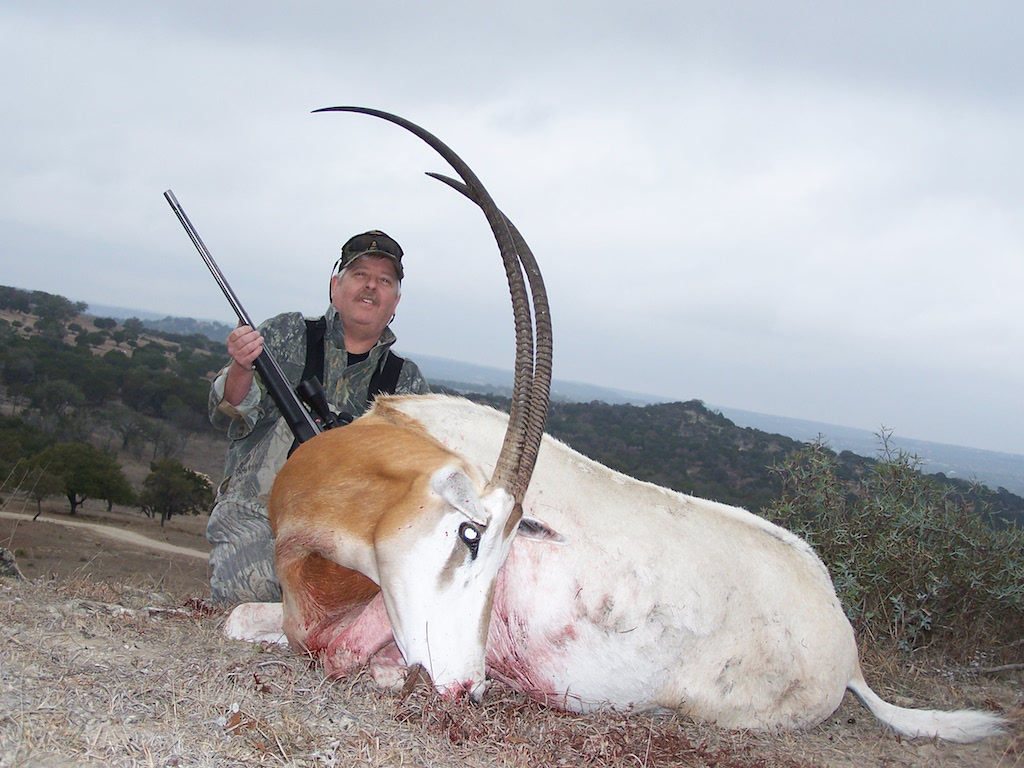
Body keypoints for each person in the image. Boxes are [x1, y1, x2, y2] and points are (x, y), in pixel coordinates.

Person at [206, 230, 430, 604]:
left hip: (345, 529)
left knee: (368, 610)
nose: (371, 287)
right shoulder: (284, 333)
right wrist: (241, 367)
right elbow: (228, 412)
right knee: (252, 595)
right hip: (258, 512)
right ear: (335, 286)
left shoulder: (406, 382)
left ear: (396, 301)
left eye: (384, 280)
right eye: (360, 275)